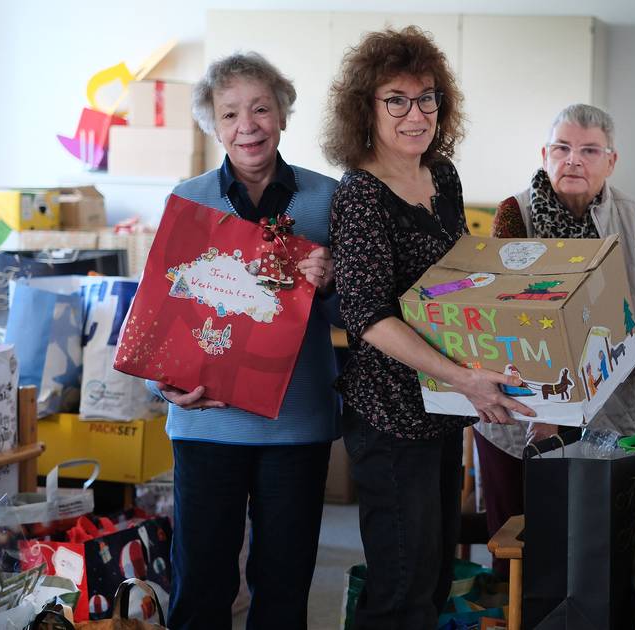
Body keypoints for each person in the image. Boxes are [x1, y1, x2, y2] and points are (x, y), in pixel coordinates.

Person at [324, 27, 536, 629]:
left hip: (442, 405)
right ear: (365, 107)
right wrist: (464, 377)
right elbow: (369, 318)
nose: (414, 114)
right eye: (396, 99)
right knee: (400, 586)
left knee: (437, 574)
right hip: (390, 416)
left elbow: (456, 284)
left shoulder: (442, 177)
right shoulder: (360, 195)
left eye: (427, 98)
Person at [145, 52, 339, 630]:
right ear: (214, 122)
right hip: (206, 422)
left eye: (260, 108)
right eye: (230, 113)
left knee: (283, 587)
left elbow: (354, 315)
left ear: (282, 115)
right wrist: (164, 384)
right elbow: (163, 314)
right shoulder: (189, 198)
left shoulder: (327, 199)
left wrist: (329, 283)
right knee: (201, 582)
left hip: (296, 424)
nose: (247, 125)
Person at [473, 104, 635, 575]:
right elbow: (504, 314)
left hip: (612, 397)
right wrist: (546, 412)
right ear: (545, 154)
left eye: (589, 150)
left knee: (604, 540)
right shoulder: (514, 212)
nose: (574, 160)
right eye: (563, 148)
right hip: (521, 401)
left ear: (611, 162)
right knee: (522, 538)